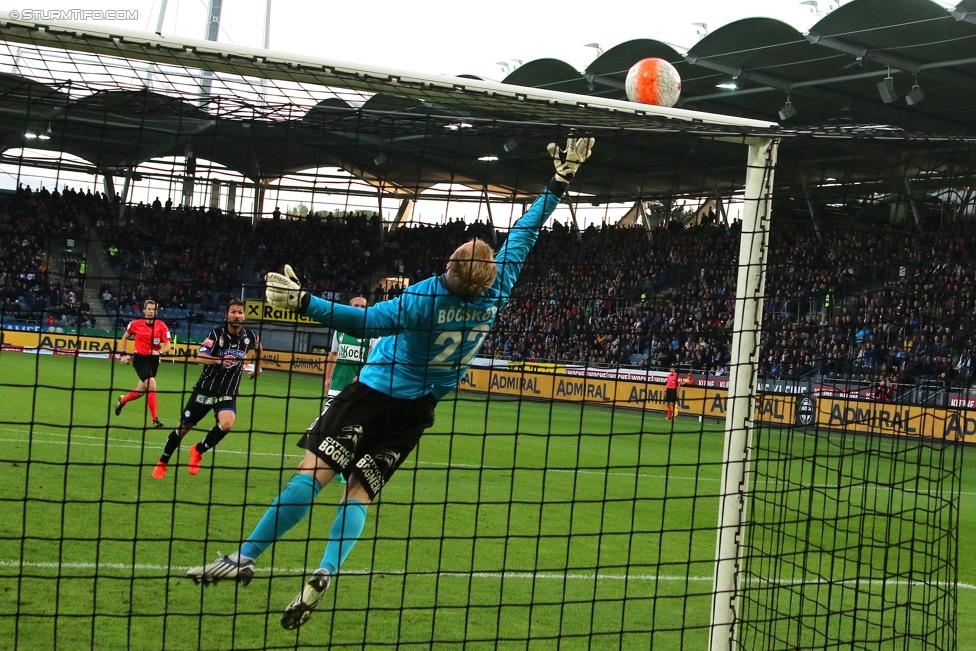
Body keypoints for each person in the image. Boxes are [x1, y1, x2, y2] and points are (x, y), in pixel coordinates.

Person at [186, 137, 596, 630]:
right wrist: (559, 183)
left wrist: (303, 303)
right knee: (357, 492)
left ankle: (245, 557)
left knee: (311, 474)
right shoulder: (496, 290)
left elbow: (365, 323)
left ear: (449, 269)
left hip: (374, 393)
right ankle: (326, 569)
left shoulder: (425, 298)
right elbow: (527, 230)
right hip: (417, 413)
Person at [151, 299, 262, 479]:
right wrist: (219, 360)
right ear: (227, 314)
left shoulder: (250, 336)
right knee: (182, 430)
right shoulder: (216, 334)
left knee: (227, 424)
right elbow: (199, 357)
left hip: (227, 392)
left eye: (240, 312)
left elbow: (258, 348)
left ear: (244, 315)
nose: (237, 315)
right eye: (233, 311)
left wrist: (257, 368)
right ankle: (162, 462)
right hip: (205, 389)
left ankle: (198, 449)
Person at [306, 296, 376, 485]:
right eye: (356, 306)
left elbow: (375, 360)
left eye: (363, 306)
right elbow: (333, 354)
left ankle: (347, 468)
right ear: (350, 307)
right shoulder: (341, 330)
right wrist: (327, 378)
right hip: (338, 385)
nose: (360, 309)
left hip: (359, 389)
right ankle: (323, 463)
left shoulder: (372, 333)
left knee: (353, 429)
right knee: (327, 423)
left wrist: (363, 376)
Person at [115, 299, 171, 428]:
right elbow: (125, 337)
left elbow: (168, 345)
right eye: (149, 309)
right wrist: (123, 354)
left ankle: (122, 401)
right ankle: (155, 419)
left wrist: (160, 352)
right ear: (144, 310)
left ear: (156, 311)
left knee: (141, 391)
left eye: (153, 309)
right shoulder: (135, 324)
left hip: (154, 360)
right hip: (140, 359)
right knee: (152, 385)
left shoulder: (161, 326)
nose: (151, 312)